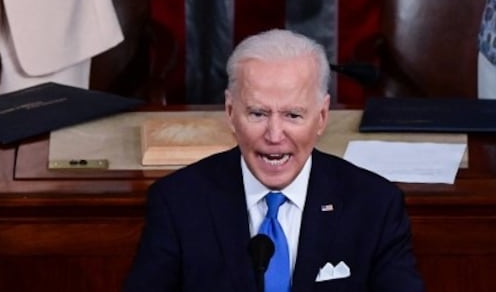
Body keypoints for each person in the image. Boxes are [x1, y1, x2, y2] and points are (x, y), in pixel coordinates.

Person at [123, 29, 425, 292]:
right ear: (230, 112)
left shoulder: (375, 205)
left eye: (293, 115)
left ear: (321, 117)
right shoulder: (178, 202)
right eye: (258, 113)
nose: (274, 134)